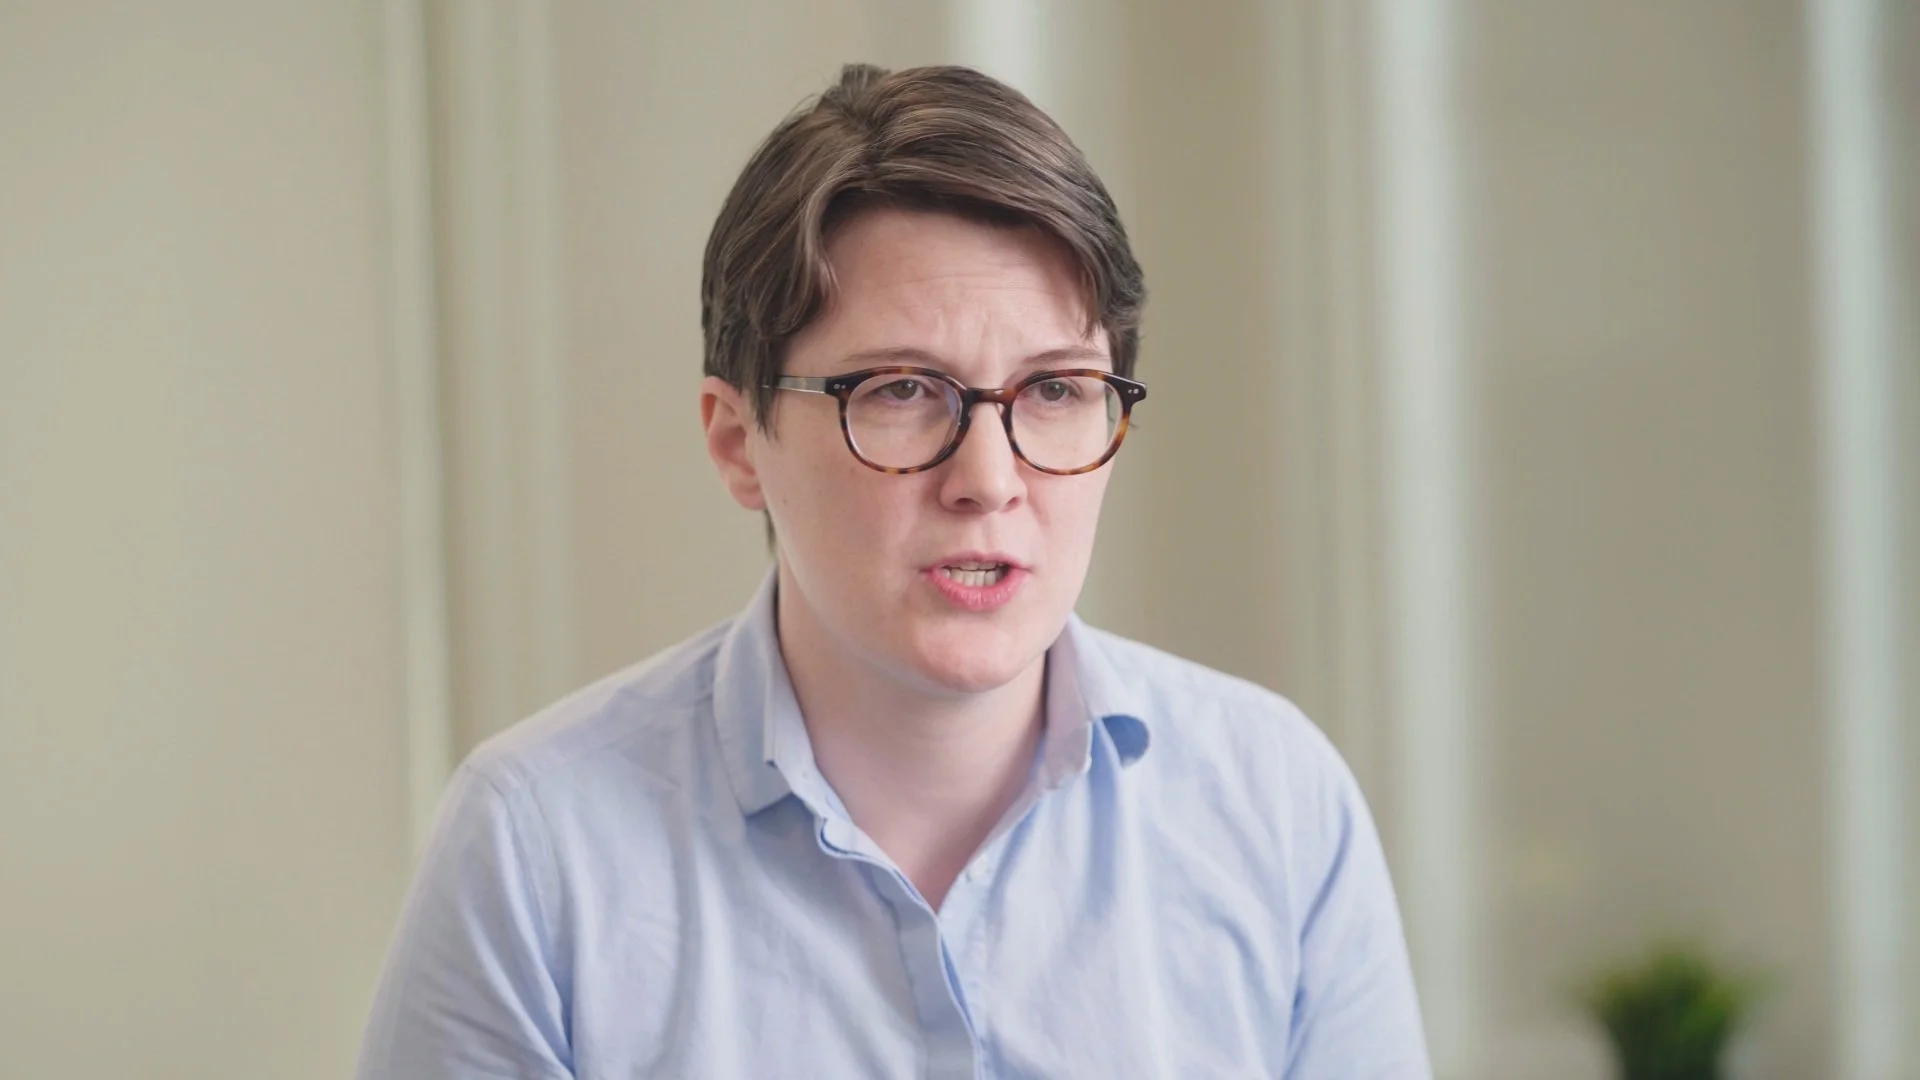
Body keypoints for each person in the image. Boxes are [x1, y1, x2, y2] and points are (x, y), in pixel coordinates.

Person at [355, 62, 1430, 1080]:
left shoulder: (1277, 806)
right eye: (904, 391)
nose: (989, 481)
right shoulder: (539, 848)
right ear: (739, 442)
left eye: (1054, 392)